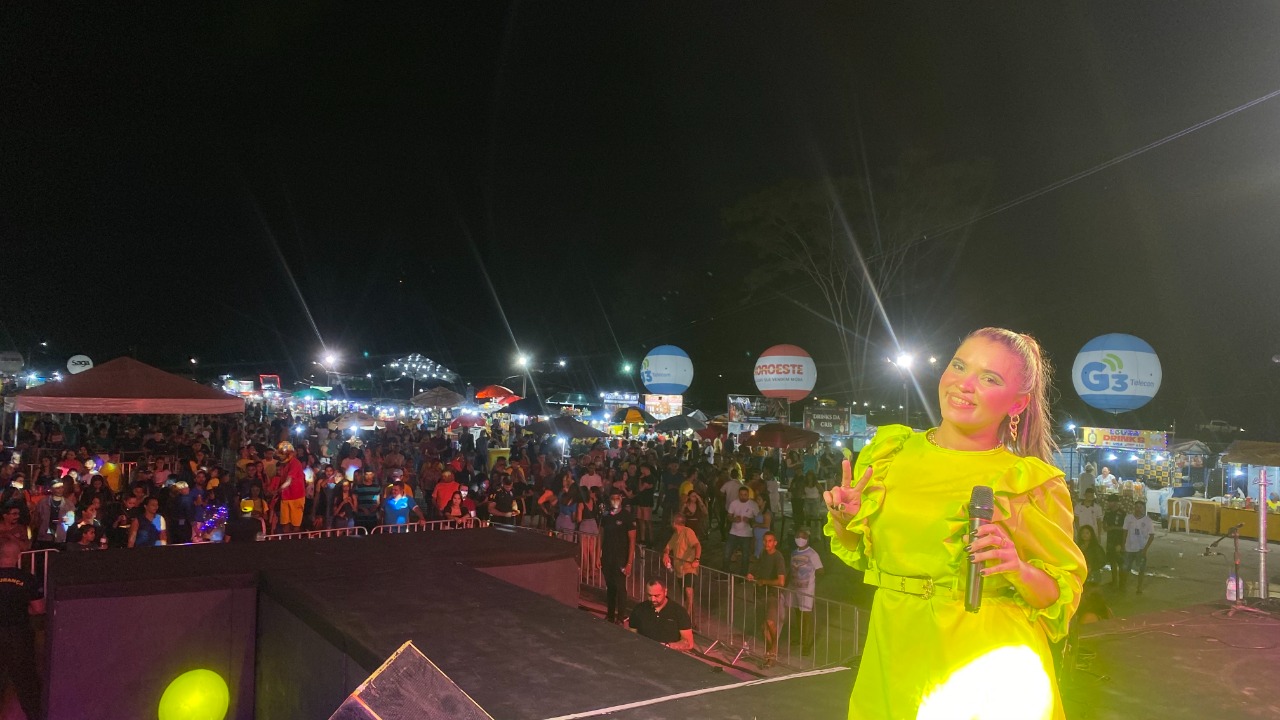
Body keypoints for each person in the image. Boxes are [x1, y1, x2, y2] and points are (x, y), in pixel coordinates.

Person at [823, 327, 1084, 719]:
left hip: (987, 669)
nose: (965, 384)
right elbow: (862, 555)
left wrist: (1016, 567)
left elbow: (1058, 595)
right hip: (891, 653)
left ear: (1017, 404)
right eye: (959, 366)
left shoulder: (1030, 483)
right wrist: (845, 519)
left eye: (990, 378)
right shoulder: (890, 453)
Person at [0, 540, 43, 720]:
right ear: (18, 557)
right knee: (26, 678)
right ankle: (35, 715)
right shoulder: (27, 578)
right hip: (18, 633)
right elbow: (39, 609)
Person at [747, 531, 786, 667]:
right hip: (760, 594)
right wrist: (752, 574)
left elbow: (781, 581)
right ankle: (770, 652)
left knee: (770, 622)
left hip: (772, 595)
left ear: (775, 543)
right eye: (765, 541)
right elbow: (758, 568)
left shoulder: (778, 557)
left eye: (770, 541)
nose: (767, 543)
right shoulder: (763, 554)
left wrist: (765, 582)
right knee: (763, 627)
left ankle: (773, 650)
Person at [626, 579, 694, 652]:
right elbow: (631, 636)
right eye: (649, 595)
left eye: (657, 595)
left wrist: (667, 646)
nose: (653, 599)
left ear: (665, 592)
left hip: (668, 655)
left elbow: (688, 643)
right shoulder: (639, 609)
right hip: (643, 653)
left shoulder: (679, 612)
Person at [599, 489, 636, 624]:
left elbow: (632, 540)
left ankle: (620, 617)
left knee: (620, 587)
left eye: (617, 498)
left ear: (621, 499)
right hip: (607, 556)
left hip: (621, 558)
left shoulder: (627, 516)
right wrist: (598, 555)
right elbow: (601, 536)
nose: (615, 500)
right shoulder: (606, 515)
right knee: (610, 587)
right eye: (613, 498)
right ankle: (610, 615)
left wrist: (629, 562)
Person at [788, 528, 824, 656]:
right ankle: (800, 637)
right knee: (798, 614)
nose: (800, 539)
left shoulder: (813, 554)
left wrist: (810, 579)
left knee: (806, 617)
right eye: (798, 537)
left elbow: (820, 570)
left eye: (802, 537)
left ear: (807, 539)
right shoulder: (793, 553)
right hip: (795, 588)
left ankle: (806, 644)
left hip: (806, 590)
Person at [662, 513, 701, 620]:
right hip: (679, 570)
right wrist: (666, 554)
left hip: (689, 568)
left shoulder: (688, 532)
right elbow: (668, 547)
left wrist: (696, 559)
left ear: (675, 523)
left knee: (689, 592)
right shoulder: (675, 535)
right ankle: (693, 619)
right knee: (688, 598)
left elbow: (697, 545)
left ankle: (686, 620)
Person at [1120, 499, 1155, 593]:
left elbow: (1152, 536)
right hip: (1129, 548)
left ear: (1143, 508)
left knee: (1141, 569)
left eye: (1140, 507)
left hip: (1141, 548)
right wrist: (1123, 545)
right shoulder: (1128, 518)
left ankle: (1139, 588)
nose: (1138, 509)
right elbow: (1125, 532)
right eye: (1136, 507)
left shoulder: (1148, 521)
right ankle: (1123, 586)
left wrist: (1145, 549)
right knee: (1125, 568)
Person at [274, 441, 307, 534]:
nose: (280, 457)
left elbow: (288, 481)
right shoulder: (283, 464)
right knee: (285, 523)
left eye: (282, 454)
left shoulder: (295, 463)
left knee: (295, 525)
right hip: (285, 496)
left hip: (296, 496)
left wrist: (277, 491)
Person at [724, 486, 757, 576]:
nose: (743, 496)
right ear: (738, 495)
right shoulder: (734, 503)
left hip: (747, 534)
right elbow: (729, 516)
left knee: (745, 556)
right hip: (733, 532)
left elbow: (758, 519)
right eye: (741, 495)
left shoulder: (753, 504)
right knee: (727, 553)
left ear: (748, 495)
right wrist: (733, 519)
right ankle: (725, 573)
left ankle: (743, 575)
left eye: (745, 495)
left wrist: (749, 520)